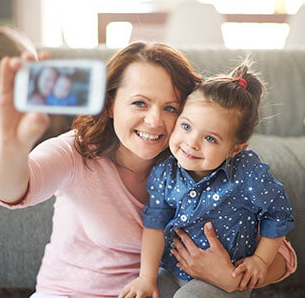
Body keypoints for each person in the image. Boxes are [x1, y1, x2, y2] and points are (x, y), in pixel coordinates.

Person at [0, 42, 296, 298]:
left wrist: (229, 278)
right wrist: (11, 144)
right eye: (140, 103)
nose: (155, 121)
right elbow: (11, 190)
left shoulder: (198, 162)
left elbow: (282, 256)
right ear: (110, 104)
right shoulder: (77, 150)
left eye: (170, 108)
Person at [119, 62, 295, 298]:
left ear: (235, 149)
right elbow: (155, 225)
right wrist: (146, 278)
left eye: (210, 138)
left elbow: (278, 213)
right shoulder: (165, 172)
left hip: (222, 281)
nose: (192, 143)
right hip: (172, 270)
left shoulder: (248, 173)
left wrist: (260, 260)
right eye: (186, 126)